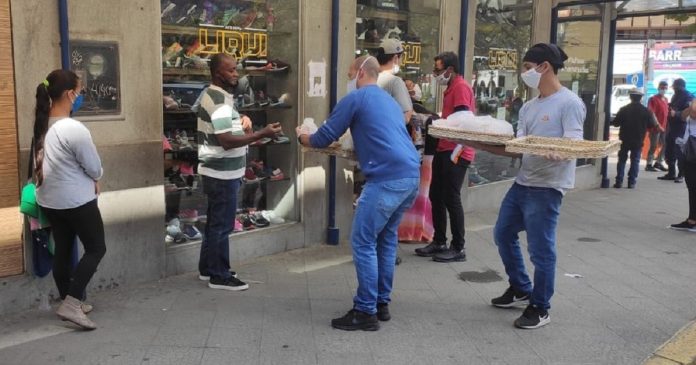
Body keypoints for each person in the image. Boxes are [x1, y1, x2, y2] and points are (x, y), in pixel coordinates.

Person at [297, 55, 420, 331]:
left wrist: (302, 135)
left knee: (363, 242)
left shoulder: (357, 98)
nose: (348, 80)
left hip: (386, 179)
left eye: (350, 73)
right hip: (410, 175)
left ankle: (365, 311)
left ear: (361, 72)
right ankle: (380, 303)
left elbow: (322, 137)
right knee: (386, 240)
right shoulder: (388, 101)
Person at [468, 43, 585, 329]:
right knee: (502, 234)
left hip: (548, 187)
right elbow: (517, 148)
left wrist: (563, 151)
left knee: (541, 250)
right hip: (523, 183)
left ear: (543, 67)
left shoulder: (570, 103)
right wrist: (473, 142)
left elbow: (575, 143)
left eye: (526, 68)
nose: (524, 73)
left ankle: (540, 306)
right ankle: (521, 287)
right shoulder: (530, 107)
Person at [197, 53, 282, 291]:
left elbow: (220, 126)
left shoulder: (213, 94)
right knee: (222, 225)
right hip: (222, 173)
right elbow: (225, 140)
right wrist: (261, 134)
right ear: (217, 74)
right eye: (231, 70)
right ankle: (219, 275)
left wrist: (240, 118)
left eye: (236, 69)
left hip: (216, 171)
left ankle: (208, 268)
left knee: (215, 223)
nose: (236, 74)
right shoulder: (220, 100)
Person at [34, 69, 106, 330]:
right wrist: (96, 177)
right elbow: (94, 167)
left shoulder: (42, 125)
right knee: (97, 248)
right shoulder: (72, 128)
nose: (81, 96)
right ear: (69, 94)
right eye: (80, 91)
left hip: (50, 200)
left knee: (62, 250)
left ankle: (67, 298)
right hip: (76, 200)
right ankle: (73, 303)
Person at [414, 51, 476, 263]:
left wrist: (439, 123)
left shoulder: (460, 87)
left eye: (438, 70)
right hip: (444, 148)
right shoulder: (451, 88)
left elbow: (463, 123)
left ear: (450, 69)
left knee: (451, 198)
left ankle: (458, 247)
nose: (435, 73)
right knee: (436, 196)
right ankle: (439, 241)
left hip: (456, 152)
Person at [612, 88, 662, 189]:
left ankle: (619, 182)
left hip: (624, 139)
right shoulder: (646, 111)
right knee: (635, 160)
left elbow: (616, 123)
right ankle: (631, 182)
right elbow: (651, 125)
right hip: (638, 140)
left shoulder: (624, 109)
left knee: (621, 160)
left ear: (630, 97)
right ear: (641, 98)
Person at [659, 78, 693, 183]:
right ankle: (671, 173)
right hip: (672, 126)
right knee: (669, 150)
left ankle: (681, 174)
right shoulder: (675, 96)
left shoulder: (688, 96)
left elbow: (689, 112)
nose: (674, 89)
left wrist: (676, 114)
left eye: (675, 87)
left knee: (680, 152)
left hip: (682, 128)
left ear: (680, 87)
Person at [670, 101, 696, 231]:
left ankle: (693, 221)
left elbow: (693, 112)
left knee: (693, 185)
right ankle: (692, 219)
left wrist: (692, 105)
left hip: (693, 150)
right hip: (690, 148)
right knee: (692, 185)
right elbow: (683, 116)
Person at [375, 38, 413, 124]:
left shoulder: (368, 78)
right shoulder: (395, 81)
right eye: (401, 57)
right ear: (396, 58)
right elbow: (406, 116)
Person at [646, 81, 669, 172]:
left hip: (664, 127)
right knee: (653, 146)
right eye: (662, 87)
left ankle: (659, 162)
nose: (663, 89)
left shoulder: (666, 99)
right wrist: (657, 124)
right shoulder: (653, 99)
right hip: (655, 127)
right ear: (658, 88)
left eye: (665, 88)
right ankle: (649, 164)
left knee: (666, 145)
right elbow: (651, 113)